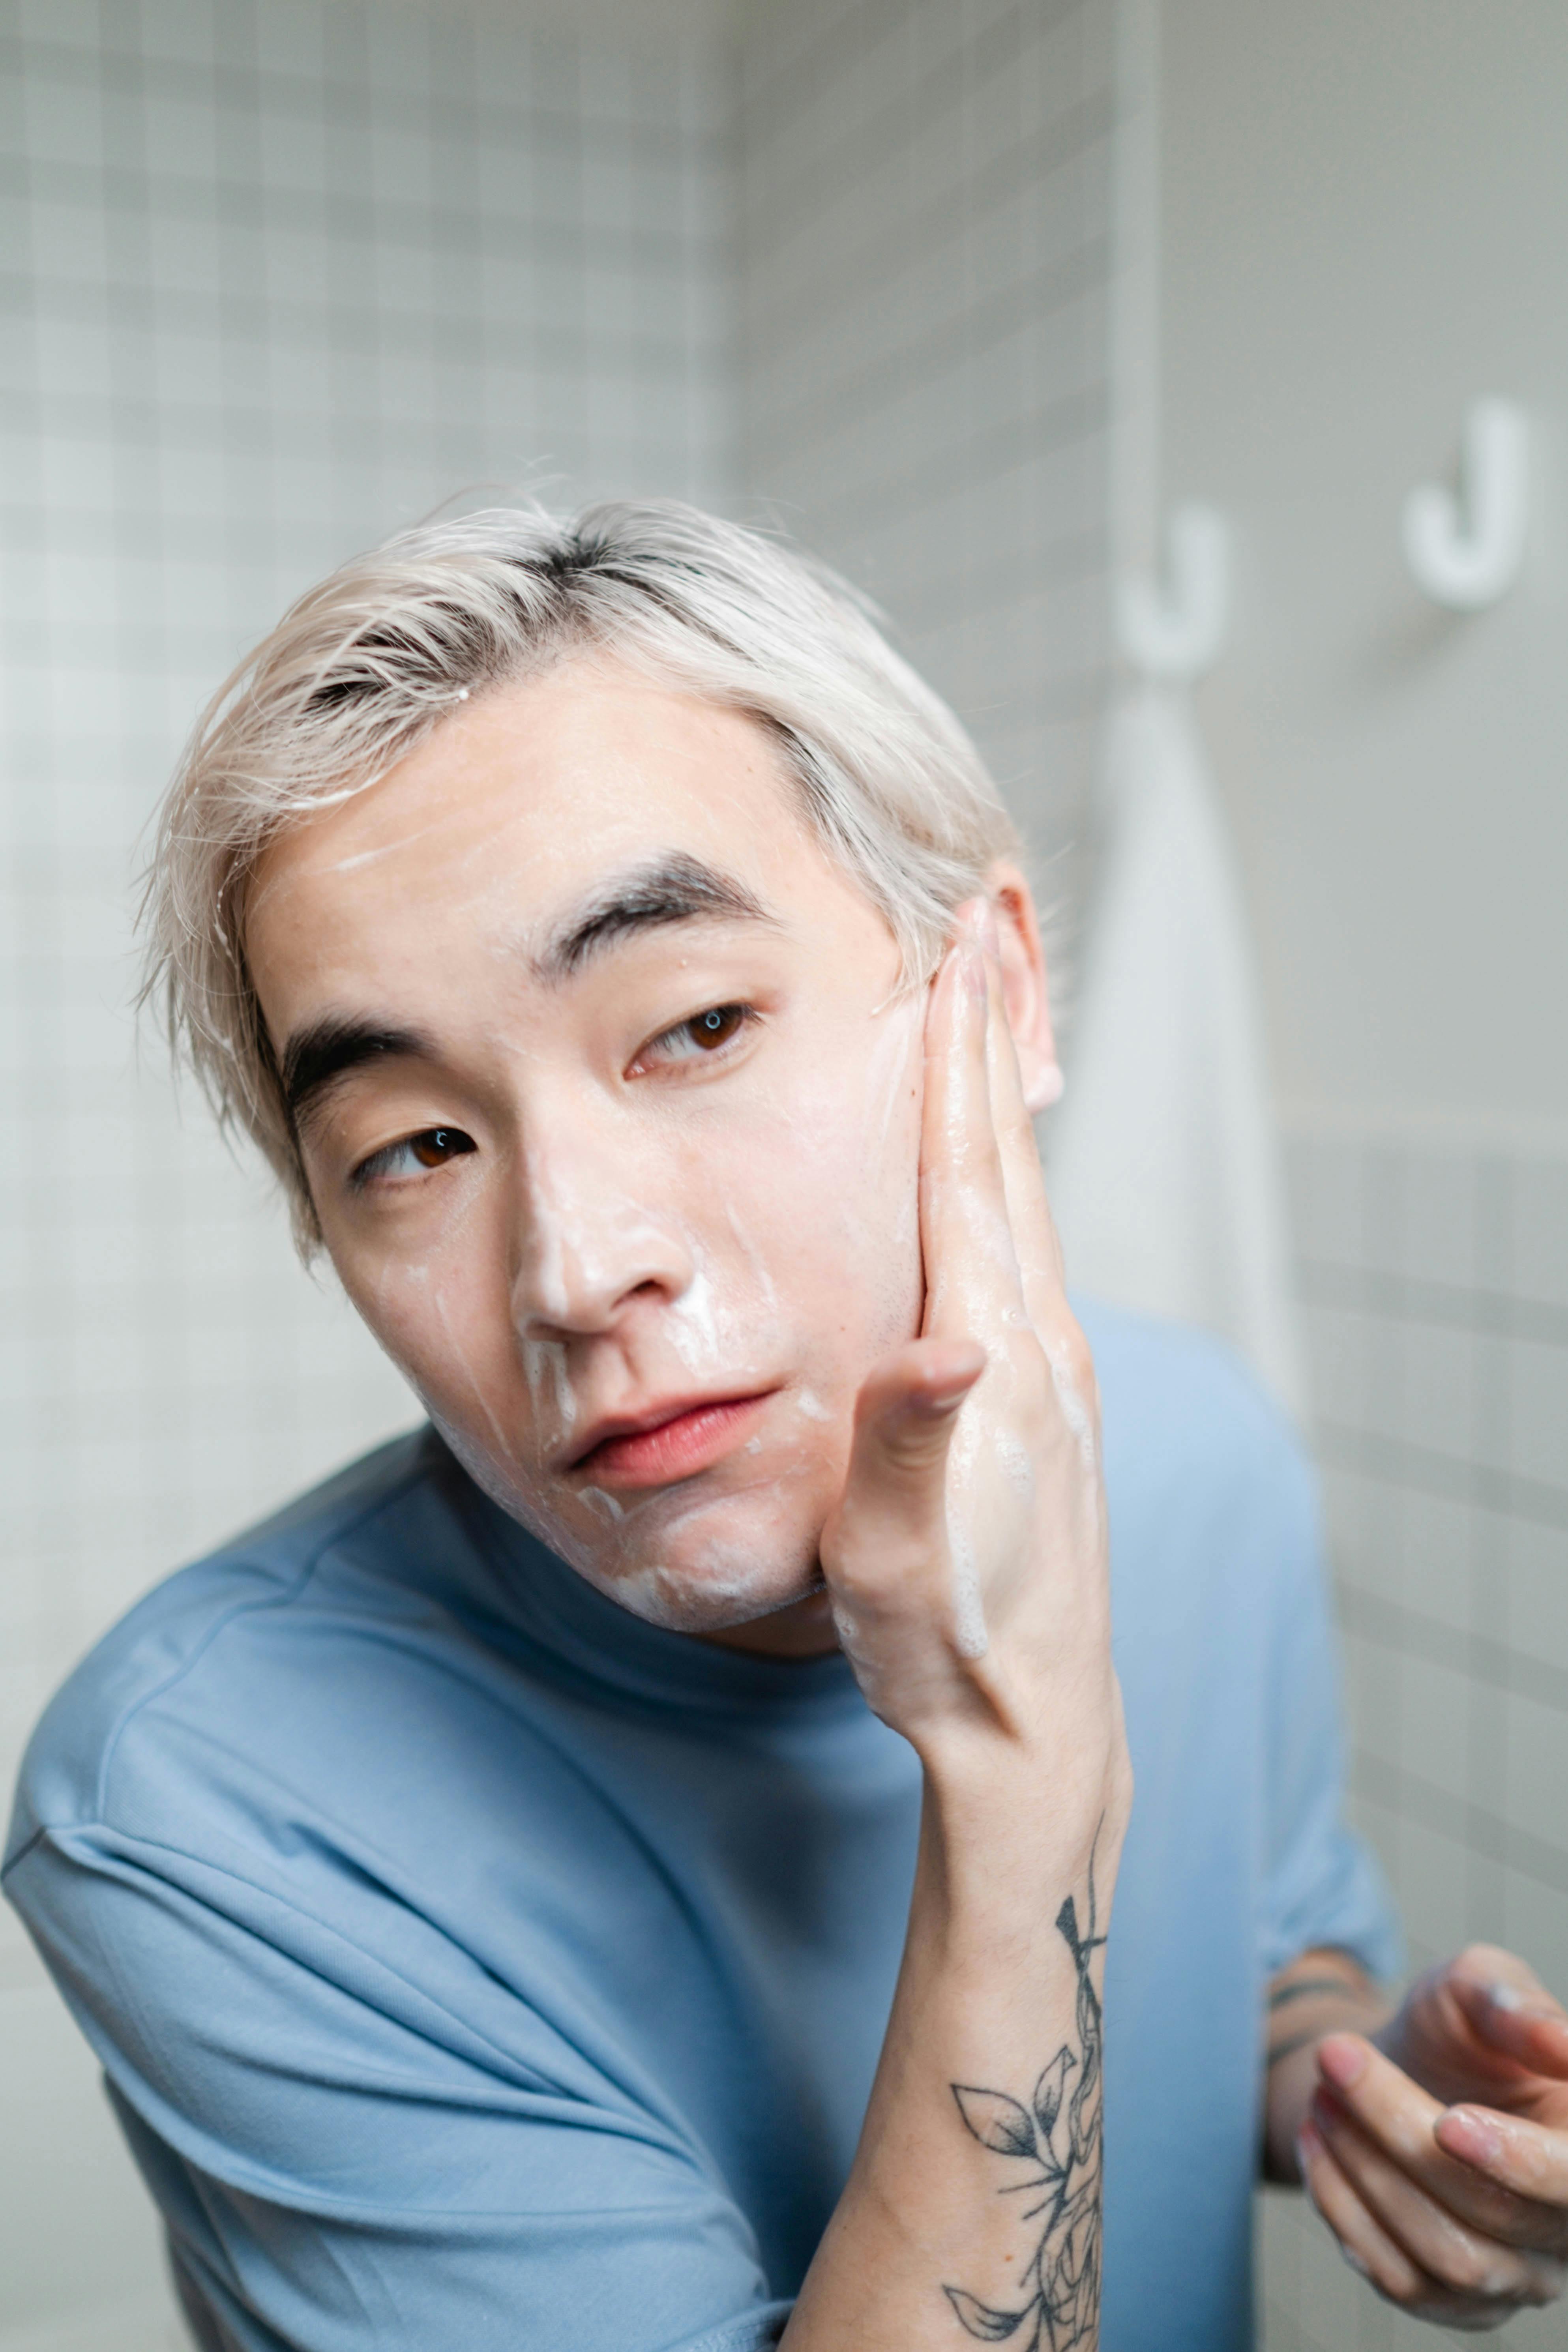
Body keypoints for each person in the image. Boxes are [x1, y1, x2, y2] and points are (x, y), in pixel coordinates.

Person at [5, 504, 1567, 2352]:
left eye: (692, 1024)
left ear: (992, 991)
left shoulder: (1195, 1456)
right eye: (415, 1145)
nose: (574, 1269)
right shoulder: (210, 1811)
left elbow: (1258, 1943)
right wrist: (1016, 1760)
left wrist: (1347, 2084)